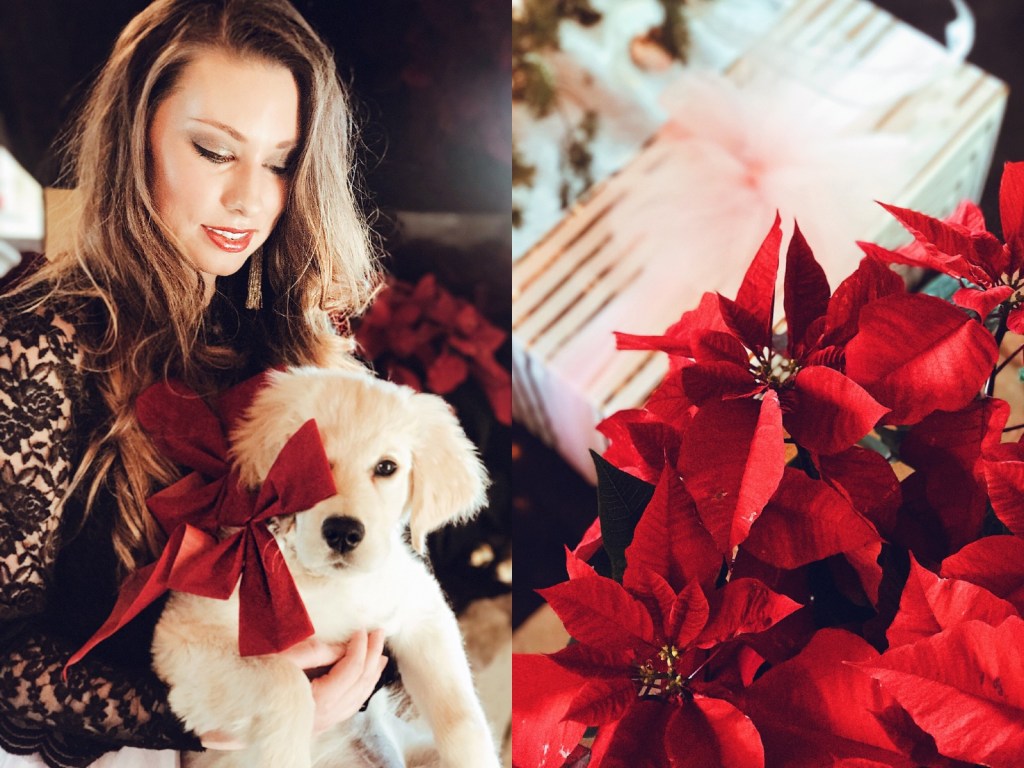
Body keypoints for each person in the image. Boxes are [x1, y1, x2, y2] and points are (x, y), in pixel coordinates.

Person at [0, 0, 390, 765]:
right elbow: (5, 651)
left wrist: (358, 660)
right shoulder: (35, 340)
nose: (250, 198)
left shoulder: (299, 332)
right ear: (135, 138)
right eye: (215, 151)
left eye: (280, 162)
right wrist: (220, 713)